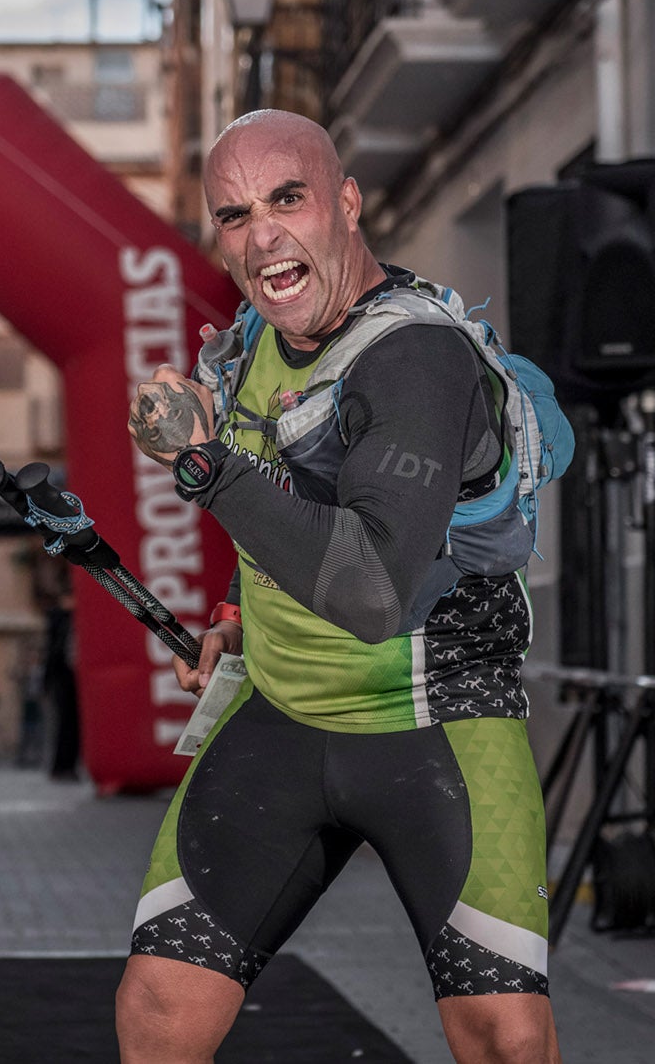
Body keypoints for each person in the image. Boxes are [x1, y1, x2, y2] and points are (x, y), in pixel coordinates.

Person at [115, 111, 560, 1063]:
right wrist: (235, 617)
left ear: (346, 204)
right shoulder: (245, 346)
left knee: (503, 1043)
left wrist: (202, 466)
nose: (263, 233)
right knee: (157, 1007)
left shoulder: (417, 358)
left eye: (288, 198)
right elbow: (287, 501)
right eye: (234, 215)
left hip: (435, 719)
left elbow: (367, 593)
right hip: (282, 716)